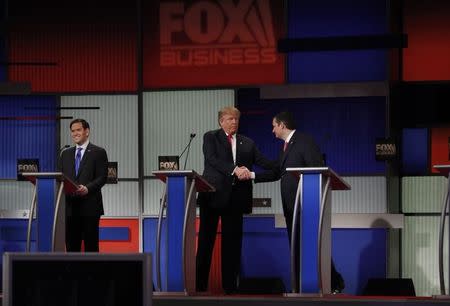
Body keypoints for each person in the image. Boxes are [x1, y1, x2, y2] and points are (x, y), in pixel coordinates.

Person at [242, 111, 345, 293]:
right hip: (291, 206)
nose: (272, 130)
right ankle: (301, 287)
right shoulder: (286, 147)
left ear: (282, 125)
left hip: (306, 204)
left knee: (311, 244)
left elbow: (316, 168)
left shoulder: (305, 141)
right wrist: (251, 175)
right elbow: (277, 172)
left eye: (274, 126)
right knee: (296, 245)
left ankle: (334, 282)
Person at [196, 106, 273, 294]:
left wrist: (283, 164)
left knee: (232, 245)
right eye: (230, 119)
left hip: (235, 200)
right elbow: (212, 159)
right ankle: (199, 287)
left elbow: (264, 162)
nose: (234, 122)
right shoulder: (210, 137)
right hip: (212, 196)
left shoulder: (247, 142)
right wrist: (235, 169)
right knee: (206, 242)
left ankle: (230, 288)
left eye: (236, 119)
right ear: (221, 121)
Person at [59, 118, 108, 252]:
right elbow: (61, 178)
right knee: (71, 247)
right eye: (72, 131)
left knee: (91, 247)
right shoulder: (65, 154)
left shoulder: (98, 152)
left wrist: (87, 189)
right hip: (69, 209)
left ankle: (92, 273)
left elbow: (103, 177)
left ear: (87, 132)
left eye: (78, 130)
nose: (75, 133)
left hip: (90, 208)